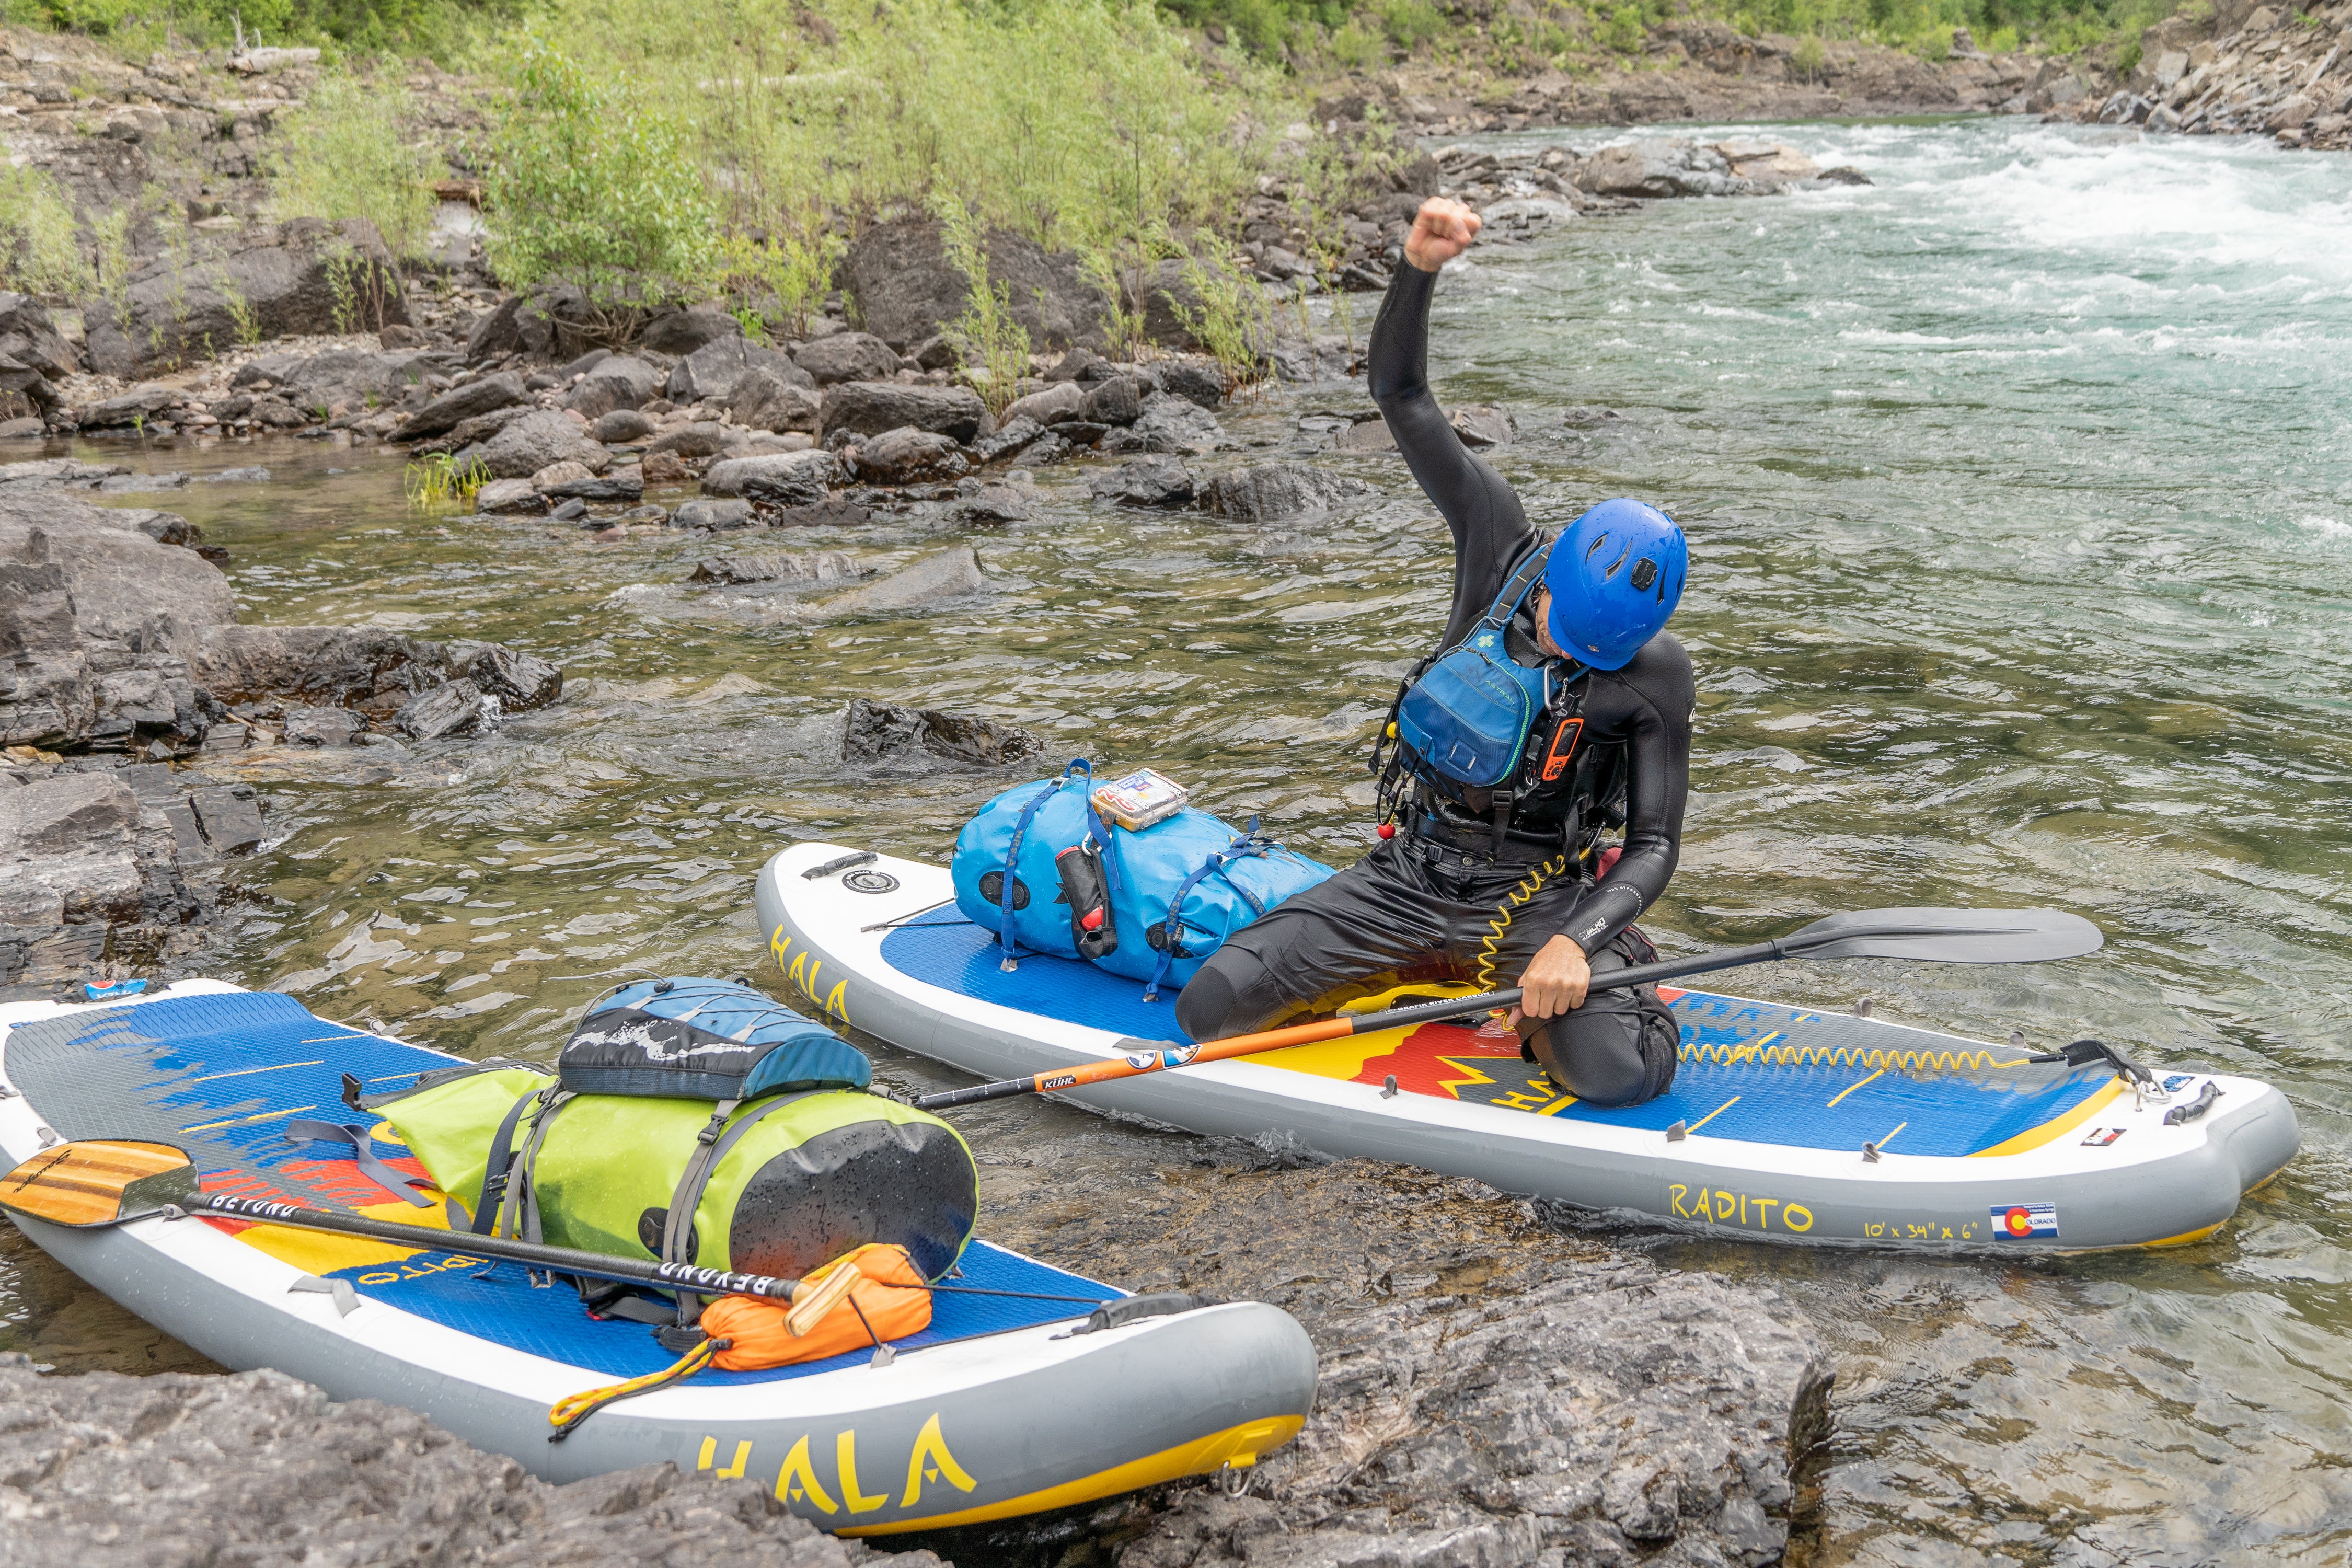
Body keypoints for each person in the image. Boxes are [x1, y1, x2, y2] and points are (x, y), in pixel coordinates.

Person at [1174, 195, 1694, 1108]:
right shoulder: (1498, 542)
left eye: (1592, 654)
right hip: (1411, 876)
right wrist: (1417, 268)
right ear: (1552, 572)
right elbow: (1401, 397)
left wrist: (1583, 939)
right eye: (1556, 627)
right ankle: (1427, 971)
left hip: (1540, 902)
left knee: (1620, 1077)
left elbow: (1653, 844)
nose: (1563, 652)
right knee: (1211, 1009)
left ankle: (1610, 981)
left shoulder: (1654, 678)